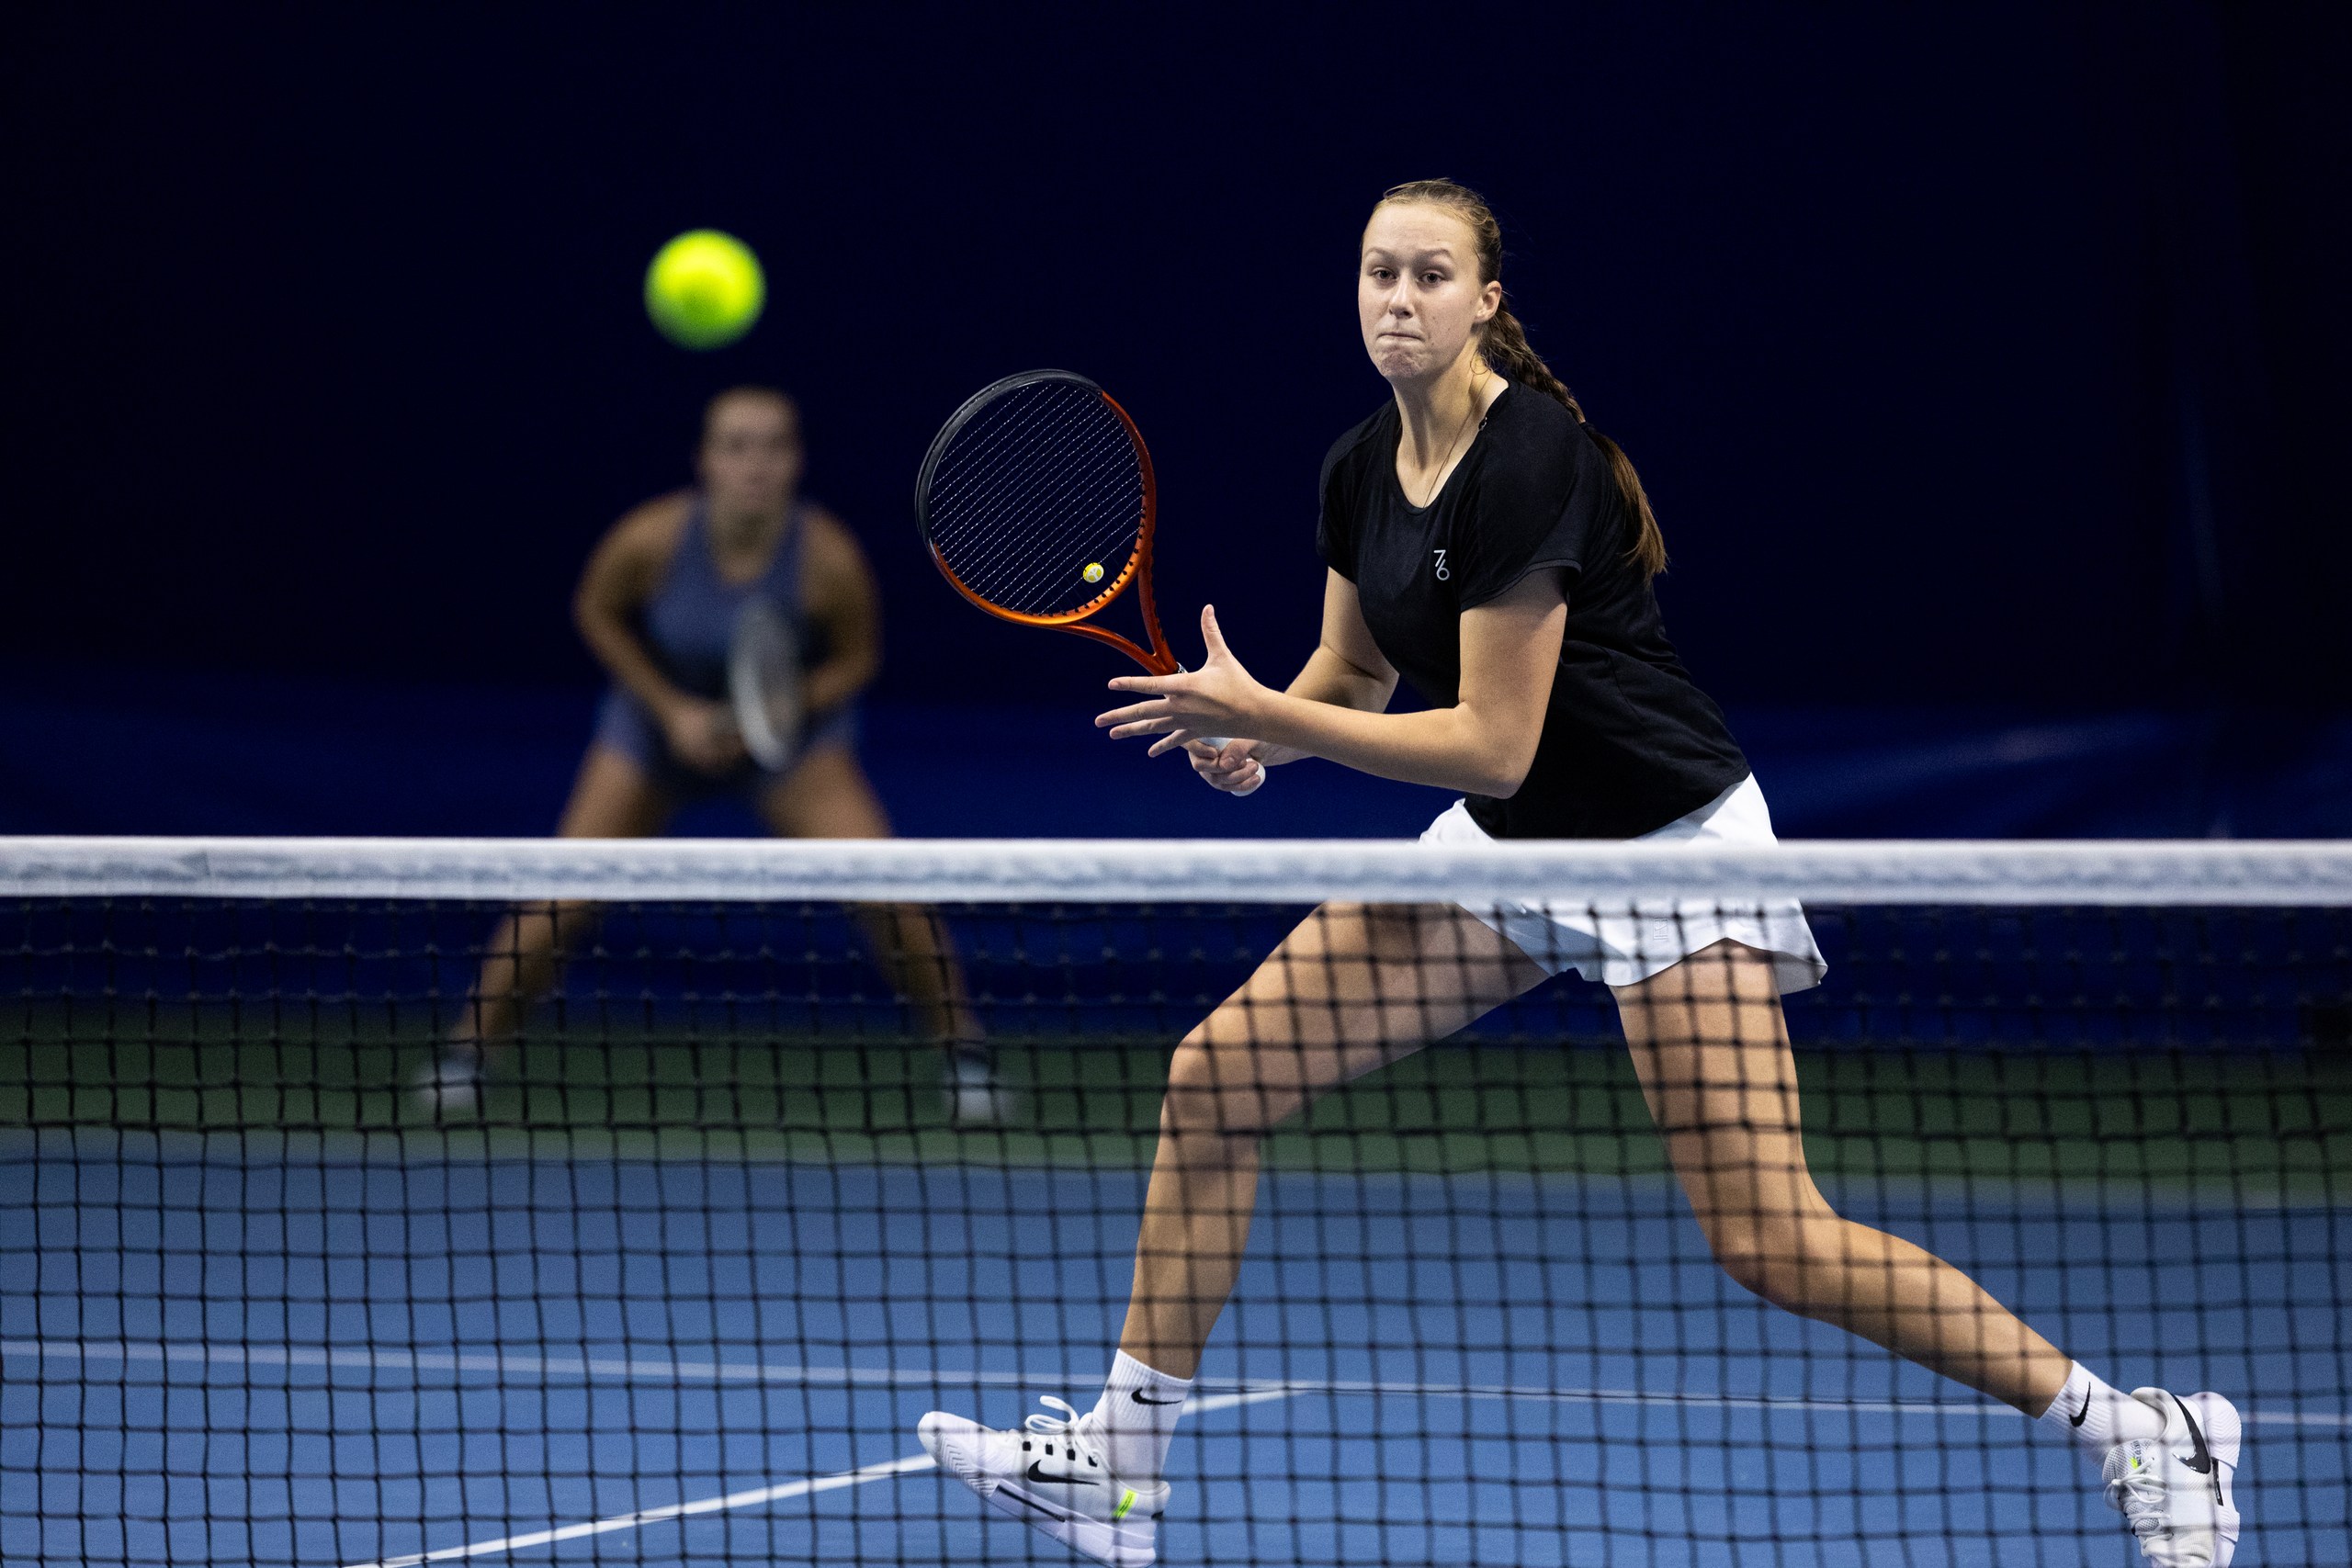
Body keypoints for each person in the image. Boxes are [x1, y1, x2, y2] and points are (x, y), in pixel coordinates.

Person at [914, 182, 2238, 1566]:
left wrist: (1269, 715)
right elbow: (1354, 673)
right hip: (1511, 851)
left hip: (1664, 851)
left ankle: (2141, 1430)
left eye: (1431, 275)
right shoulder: (1359, 466)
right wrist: (1266, 736)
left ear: (1485, 300)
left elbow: (1493, 742)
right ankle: (1119, 1467)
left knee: (1771, 1238)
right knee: (1216, 1079)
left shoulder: (1533, 456)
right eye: (1378, 272)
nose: (1399, 299)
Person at [414, 386, 1012, 1124]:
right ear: (705, 460)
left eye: (774, 446)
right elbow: (596, 611)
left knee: (886, 886)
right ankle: (467, 1053)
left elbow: (858, 659)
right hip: (655, 731)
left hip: (787, 745)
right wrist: (672, 710)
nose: (755, 463)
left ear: (796, 461)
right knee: (563, 892)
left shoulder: (827, 558)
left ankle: (966, 1054)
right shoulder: (651, 539)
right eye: (736, 446)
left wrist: (783, 708)